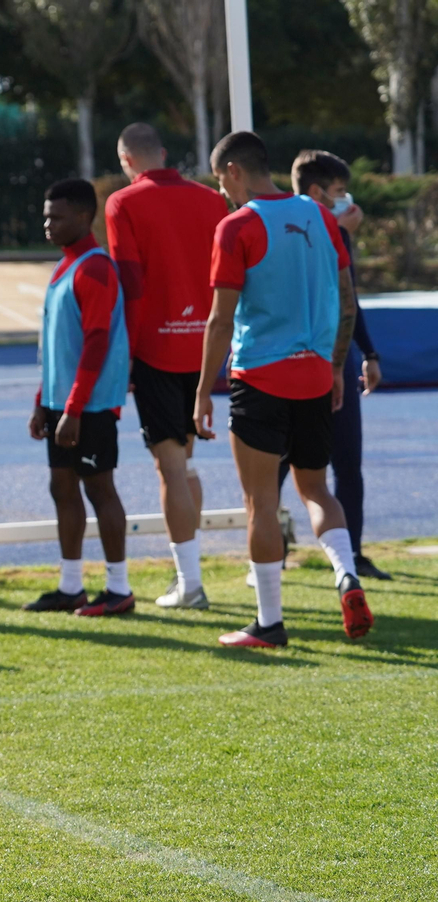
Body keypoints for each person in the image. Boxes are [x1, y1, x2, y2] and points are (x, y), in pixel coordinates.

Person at [197, 131, 372, 649]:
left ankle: (269, 623)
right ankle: (347, 574)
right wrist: (337, 367)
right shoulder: (321, 217)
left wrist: (204, 389)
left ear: (231, 171)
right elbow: (346, 301)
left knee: (261, 503)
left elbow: (219, 321)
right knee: (317, 489)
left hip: (260, 378)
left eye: (220, 183)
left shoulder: (236, 226)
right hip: (316, 374)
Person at [107, 123, 230, 609]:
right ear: (162, 153)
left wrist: (127, 357)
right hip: (205, 345)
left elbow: (131, 283)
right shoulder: (209, 200)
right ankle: (191, 576)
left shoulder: (123, 203)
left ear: (126, 161)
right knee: (187, 462)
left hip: (156, 347)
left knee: (170, 467)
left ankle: (191, 583)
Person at [22, 179, 134, 616]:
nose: (48, 224)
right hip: (60, 403)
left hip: (89, 406)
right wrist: (41, 401)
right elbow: (56, 347)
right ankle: (71, 587)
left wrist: (72, 408)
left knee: (99, 489)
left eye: (57, 216)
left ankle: (119, 588)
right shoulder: (64, 266)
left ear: (84, 217)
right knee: (61, 487)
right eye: (46, 215)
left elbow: (96, 343)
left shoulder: (95, 268)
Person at [287, 150, 389, 581]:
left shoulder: (336, 235)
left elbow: (350, 302)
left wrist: (367, 352)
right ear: (315, 193)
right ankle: (269, 555)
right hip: (291, 362)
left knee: (346, 462)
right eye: (338, 193)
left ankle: (354, 554)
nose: (347, 201)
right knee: (279, 464)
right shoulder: (286, 230)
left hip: (336, 359)